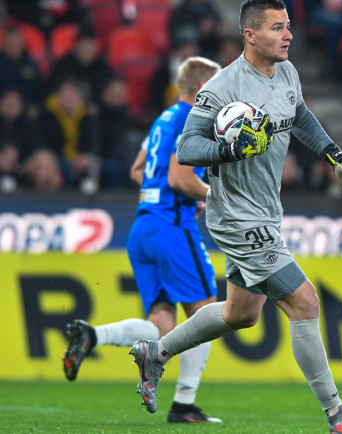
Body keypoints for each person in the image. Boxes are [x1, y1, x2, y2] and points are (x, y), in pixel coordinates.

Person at [127, 2, 342, 434]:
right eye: (277, 28)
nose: (288, 36)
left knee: (239, 314)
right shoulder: (222, 87)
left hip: (266, 211)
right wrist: (230, 149)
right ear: (250, 35)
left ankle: (156, 352)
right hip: (236, 217)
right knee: (304, 302)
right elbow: (188, 149)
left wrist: (333, 154)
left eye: (288, 27)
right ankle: (338, 416)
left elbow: (299, 115)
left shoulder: (287, 72)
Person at [62, 56, 224, 424]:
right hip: (172, 227)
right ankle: (184, 404)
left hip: (143, 227)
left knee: (164, 323)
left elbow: (140, 171)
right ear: (201, 89)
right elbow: (179, 178)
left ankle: (93, 336)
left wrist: (173, 193)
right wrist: (208, 197)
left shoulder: (163, 118)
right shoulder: (190, 118)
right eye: (217, 89)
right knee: (209, 315)